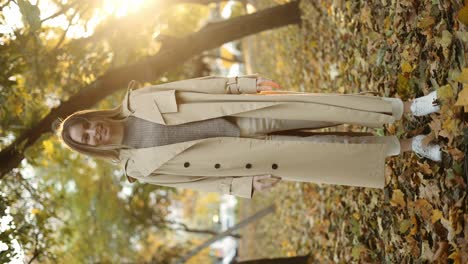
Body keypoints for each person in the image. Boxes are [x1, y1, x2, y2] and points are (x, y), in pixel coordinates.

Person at [55, 74, 442, 198]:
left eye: (86, 125)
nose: (93, 132)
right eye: (86, 138)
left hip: (246, 114)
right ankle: (412, 146)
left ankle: (410, 108)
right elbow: (200, 183)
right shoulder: (137, 169)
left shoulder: (137, 98)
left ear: (93, 116)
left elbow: (197, 85)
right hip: (244, 154)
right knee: (333, 151)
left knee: (331, 108)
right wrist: (245, 185)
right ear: (94, 148)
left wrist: (244, 84)